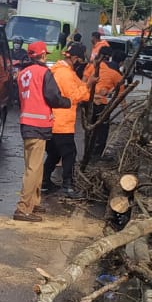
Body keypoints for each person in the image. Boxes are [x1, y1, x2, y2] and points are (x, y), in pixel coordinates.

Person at [13, 40, 71, 223]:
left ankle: (33, 202)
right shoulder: (44, 73)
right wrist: (67, 102)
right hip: (38, 126)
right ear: (44, 55)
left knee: (35, 167)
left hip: (26, 124)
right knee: (33, 169)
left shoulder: (23, 73)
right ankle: (23, 208)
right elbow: (53, 97)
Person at [42, 43, 94, 198]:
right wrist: (89, 85)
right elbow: (73, 96)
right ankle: (67, 186)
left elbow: (81, 89)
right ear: (76, 58)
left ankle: (45, 182)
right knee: (69, 154)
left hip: (56, 121)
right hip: (62, 123)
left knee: (54, 153)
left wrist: (88, 87)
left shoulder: (64, 71)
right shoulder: (64, 74)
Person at [84, 44, 129, 161]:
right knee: (102, 131)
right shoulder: (116, 74)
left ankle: (87, 153)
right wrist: (126, 114)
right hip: (101, 105)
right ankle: (96, 155)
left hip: (87, 102)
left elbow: (82, 82)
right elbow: (121, 97)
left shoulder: (91, 67)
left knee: (89, 129)